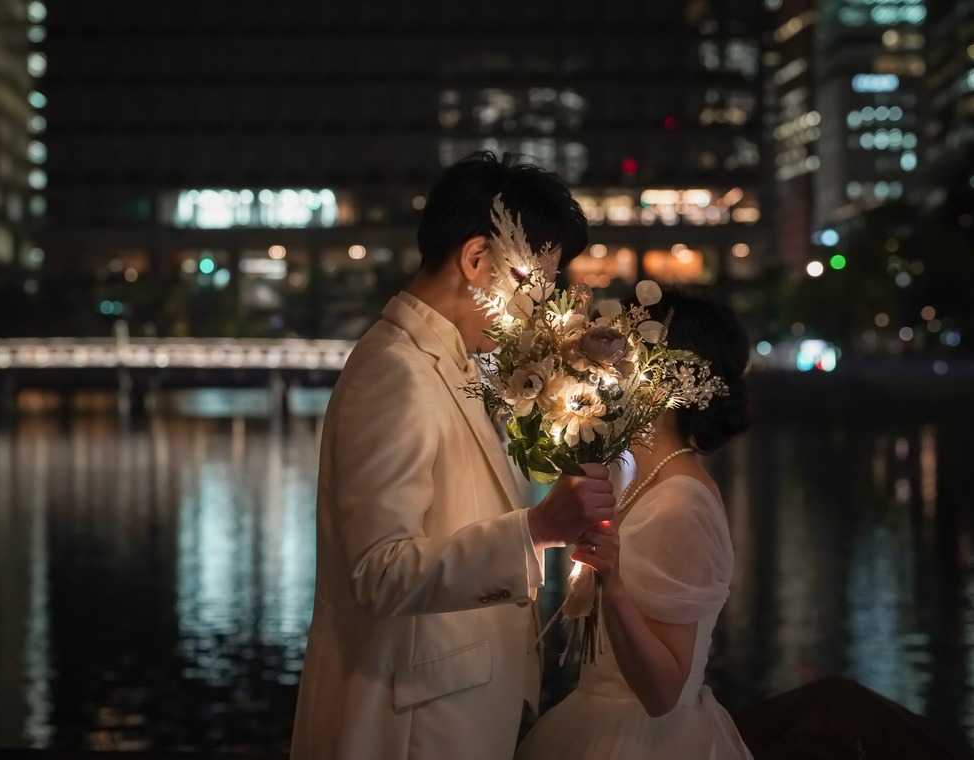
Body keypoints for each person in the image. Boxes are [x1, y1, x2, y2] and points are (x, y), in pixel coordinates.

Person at [290, 153, 617, 760]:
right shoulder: (396, 370)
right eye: (537, 281)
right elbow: (378, 570)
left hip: (449, 704)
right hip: (412, 725)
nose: (542, 305)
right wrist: (537, 528)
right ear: (476, 260)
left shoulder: (450, 363)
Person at [515, 289, 754, 760]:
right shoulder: (646, 482)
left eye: (611, 349)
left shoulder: (680, 500)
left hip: (640, 740)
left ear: (656, 375)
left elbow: (664, 692)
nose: (594, 366)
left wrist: (614, 584)